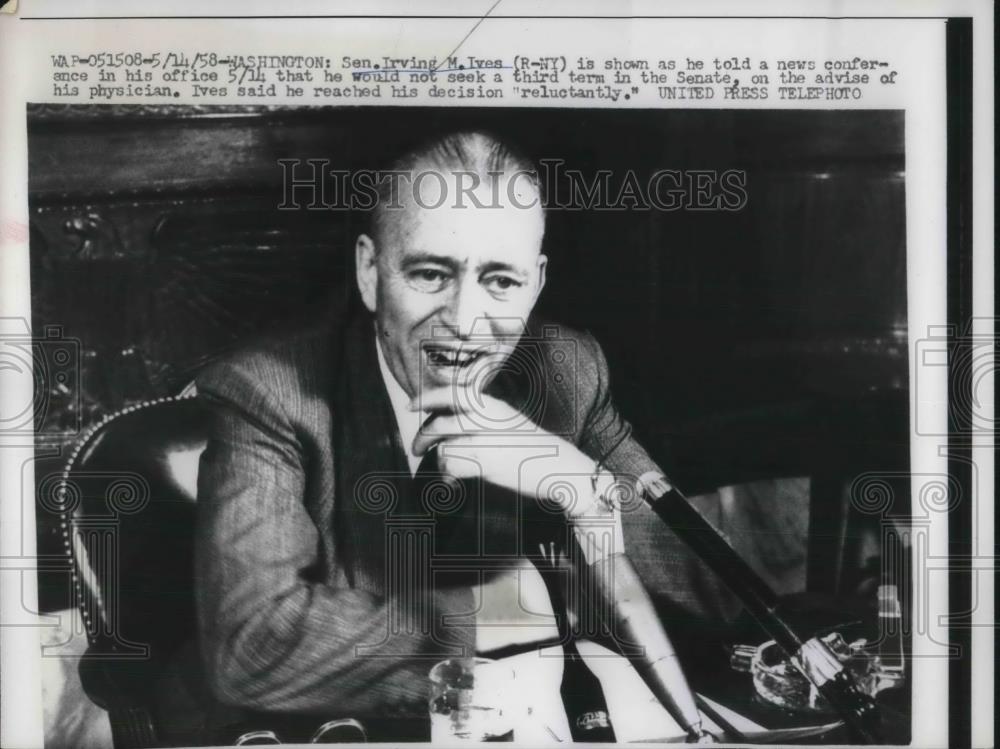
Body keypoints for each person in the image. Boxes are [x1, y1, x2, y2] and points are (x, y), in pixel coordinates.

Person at [192, 131, 666, 739]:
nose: (465, 321)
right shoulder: (270, 391)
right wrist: (499, 611)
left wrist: (586, 490)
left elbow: (702, 585)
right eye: (430, 274)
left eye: (501, 281)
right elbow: (252, 646)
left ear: (537, 284)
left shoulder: (566, 370)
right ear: (370, 271)